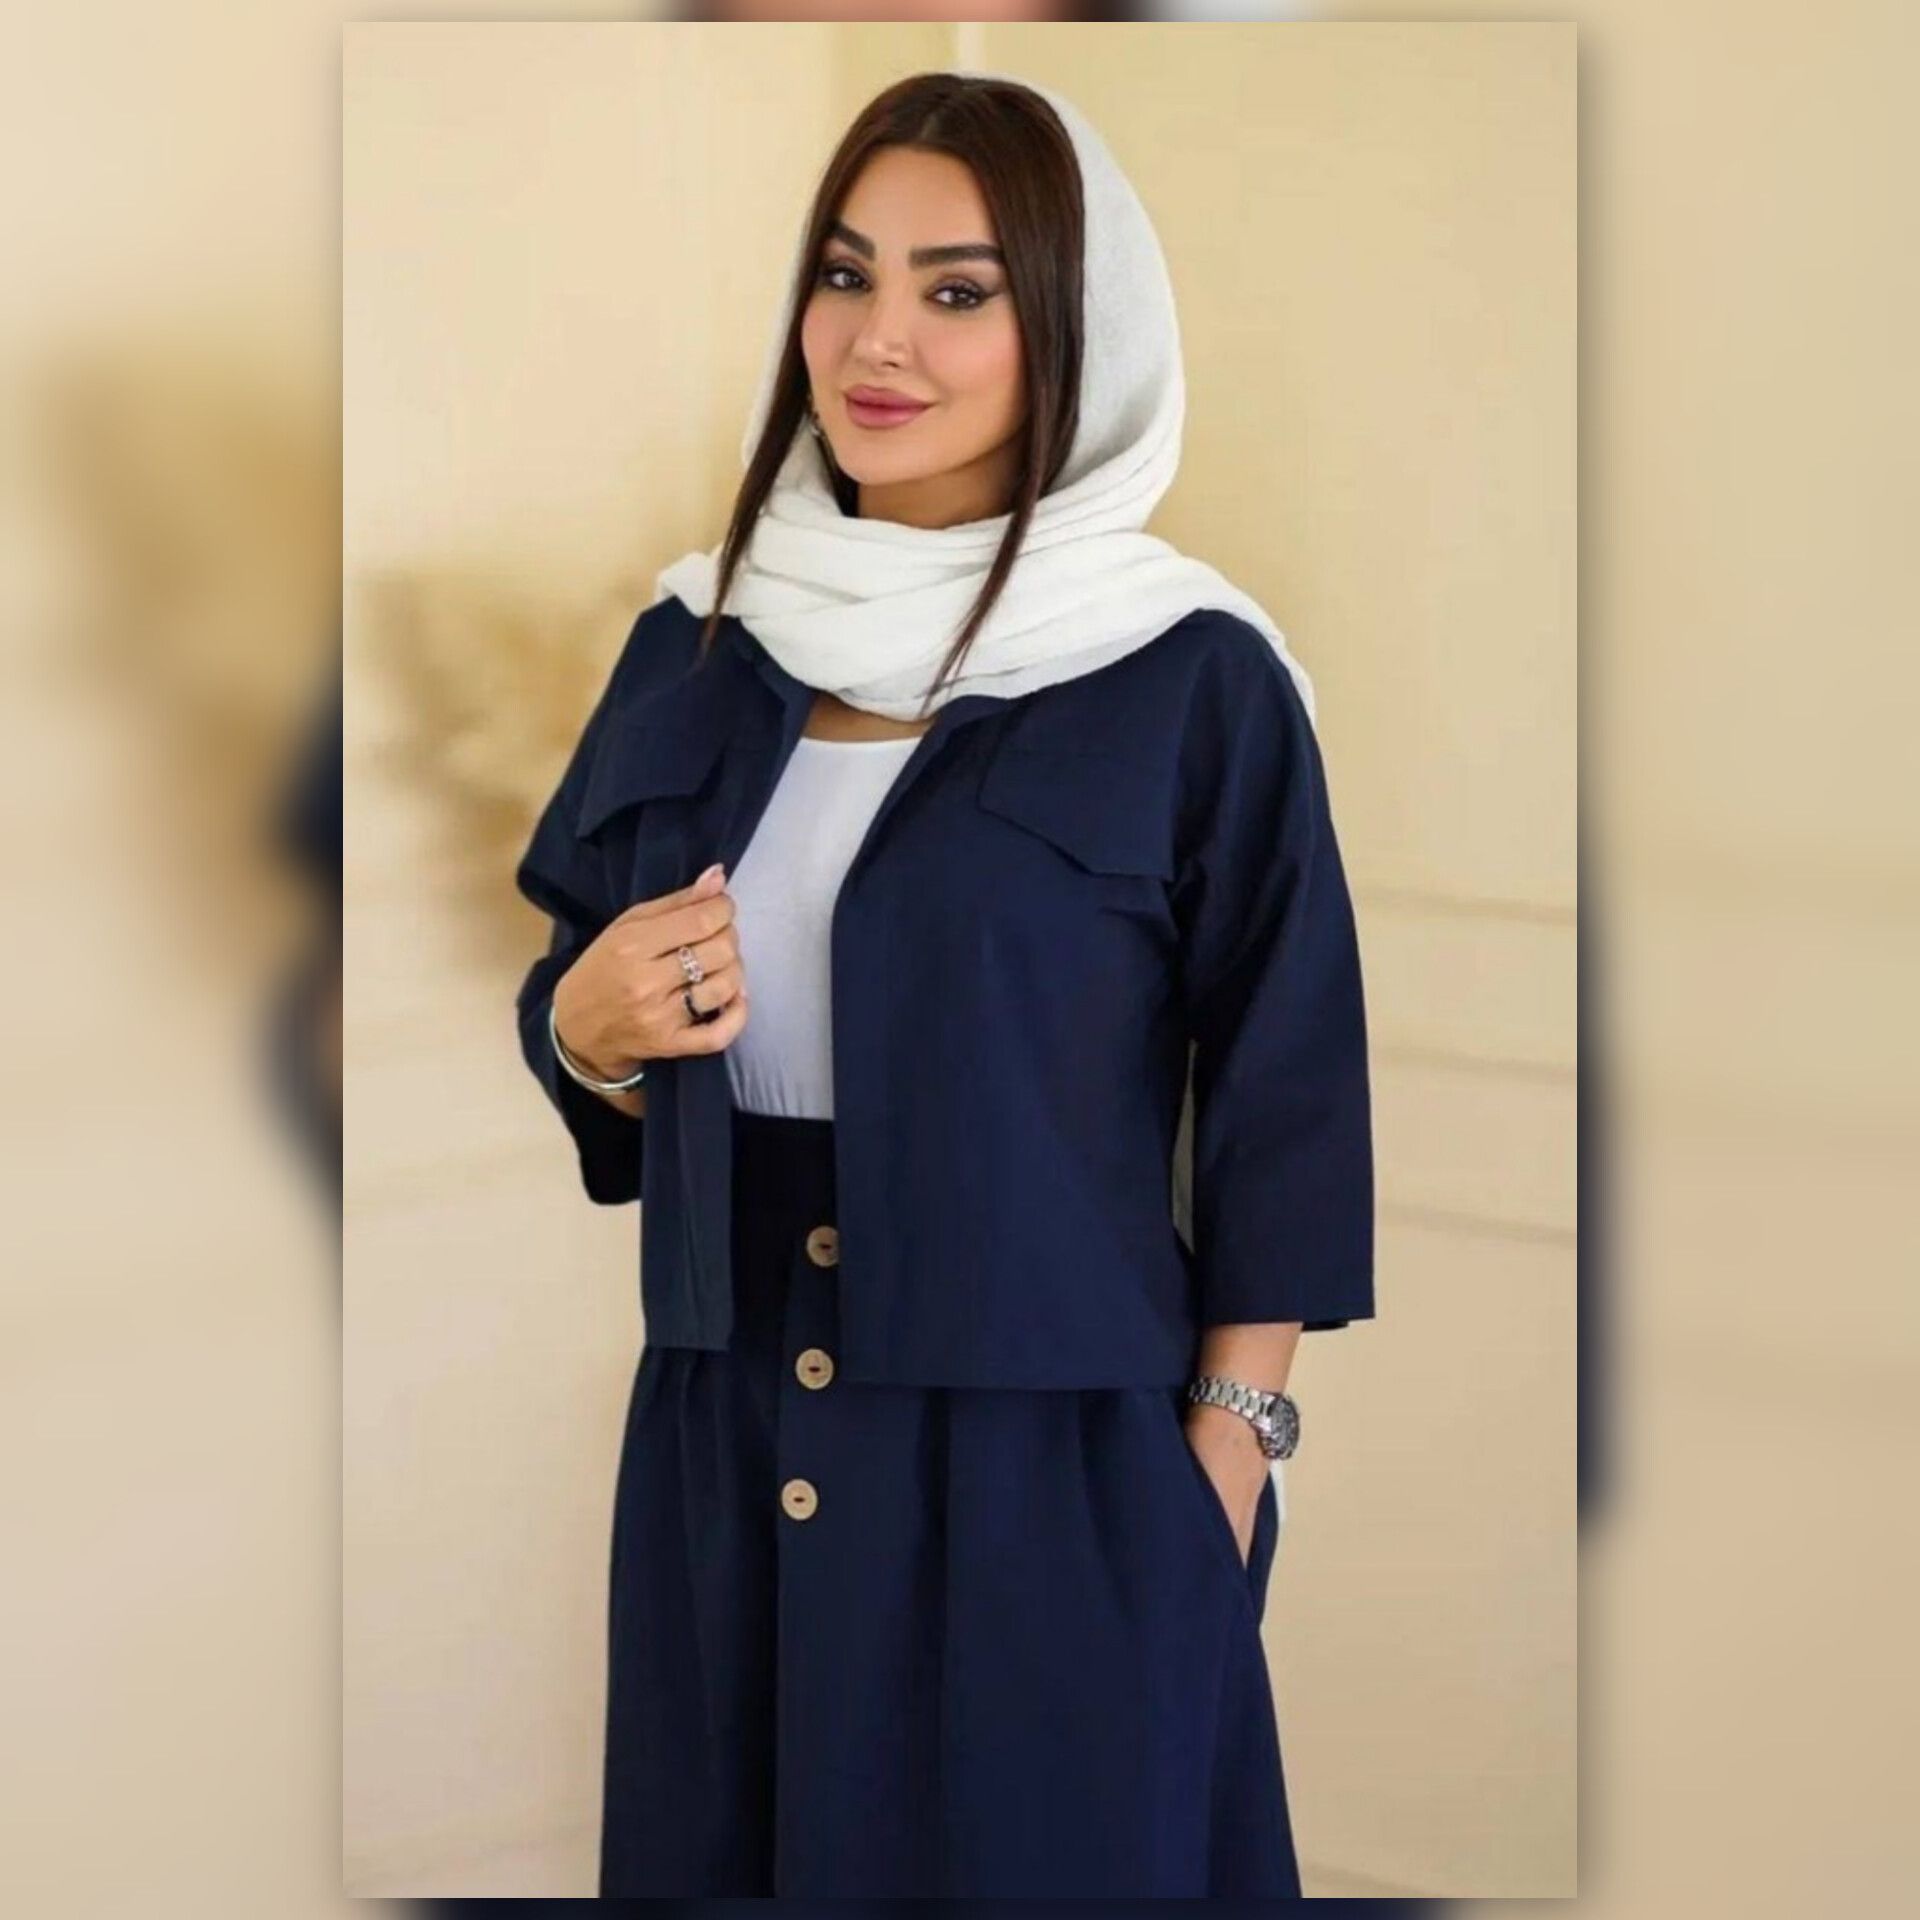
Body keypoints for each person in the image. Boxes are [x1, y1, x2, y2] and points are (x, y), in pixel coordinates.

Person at [513, 69, 1375, 1899]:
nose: (877, 339)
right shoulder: (699, 637)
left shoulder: (1188, 673)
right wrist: (584, 1037)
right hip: (728, 1437)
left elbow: (1287, 1087)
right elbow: (576, 993)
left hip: (1059, 1460)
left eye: (957, 290)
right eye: (845, 275)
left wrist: (1227, 1454)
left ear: (1072, 328)